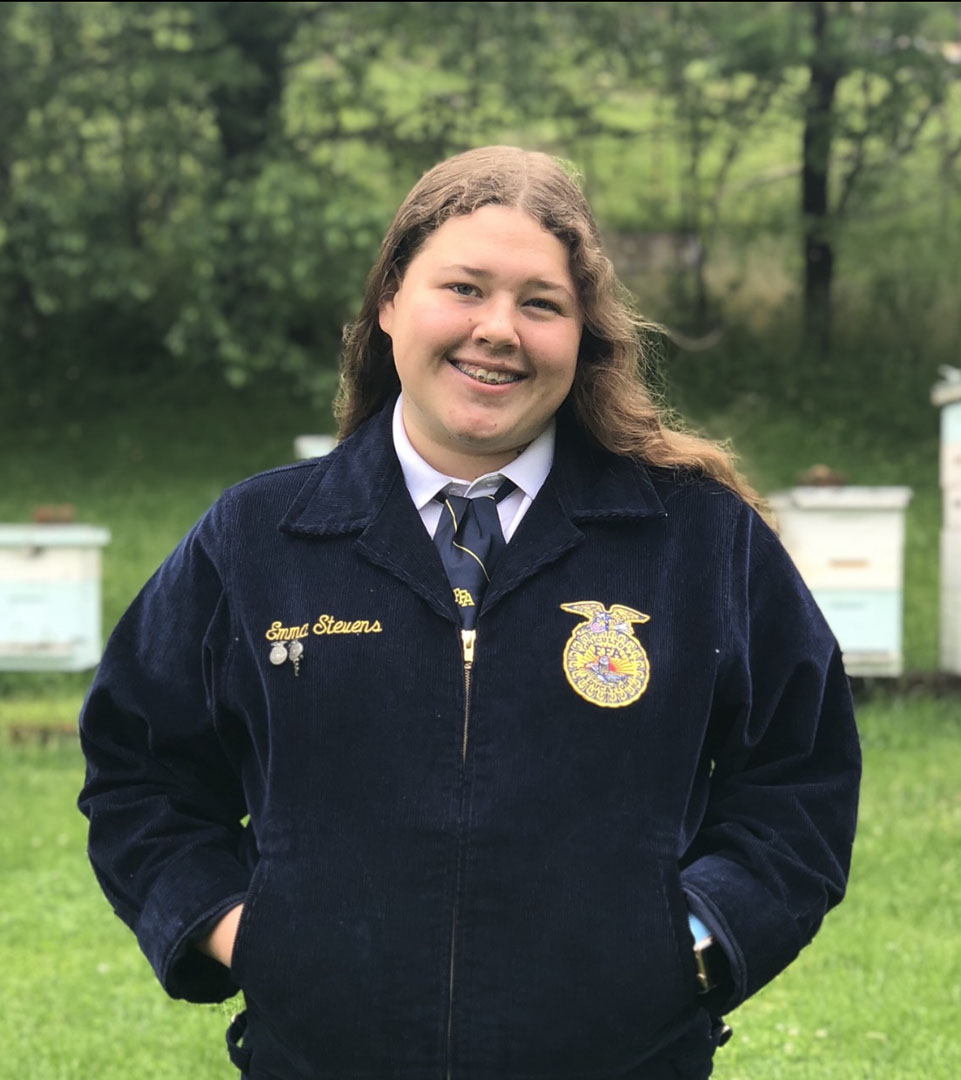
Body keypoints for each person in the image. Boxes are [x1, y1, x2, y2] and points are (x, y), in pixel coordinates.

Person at [78, 145, 860, 1080]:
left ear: (582, 336)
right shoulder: (258, 539)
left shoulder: (698, 541)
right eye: (463, 288)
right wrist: (245, 934)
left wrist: (691, 940)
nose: (499, 330)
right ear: (388, 303)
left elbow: (800, 781)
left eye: (540, 303)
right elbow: (139, 771)